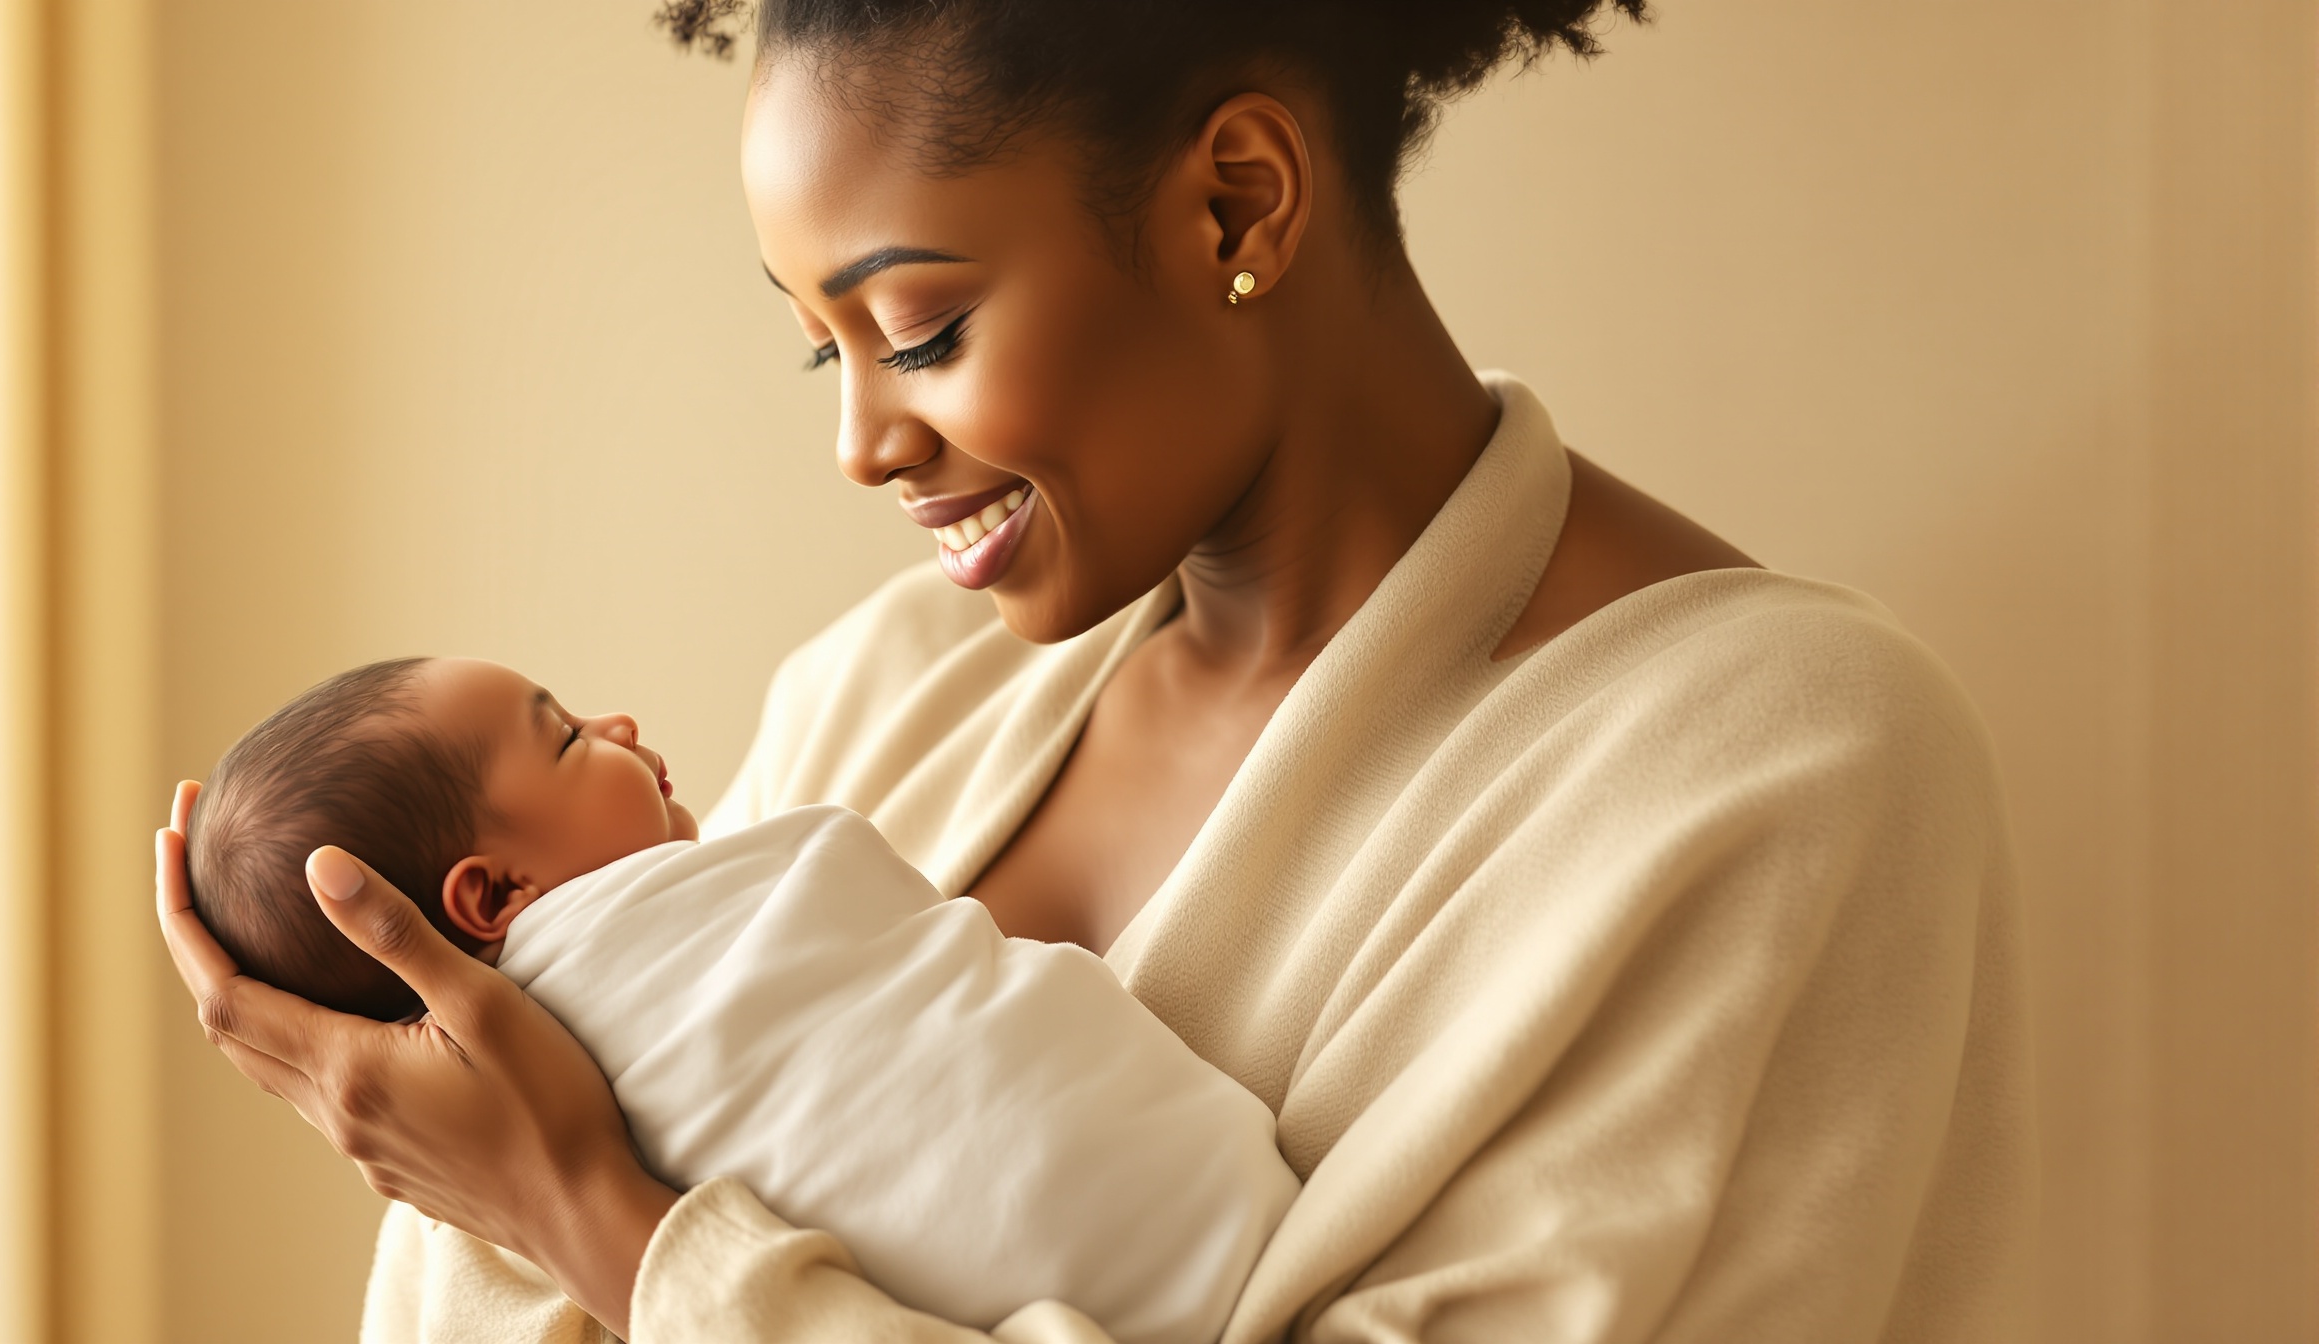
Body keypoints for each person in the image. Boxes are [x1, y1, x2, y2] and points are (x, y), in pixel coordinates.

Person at [152, 1, 2033, 1339]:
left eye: (922, 328)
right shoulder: (887, 691)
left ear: (1235, 204)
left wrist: (609, 1226)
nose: (864, 445)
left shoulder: (1769, 773)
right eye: (827, 352)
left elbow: (553, 1210)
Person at [184, 654, 1296, 1344]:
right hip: (1194, 1238)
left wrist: (567, 1201)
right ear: (496, 895)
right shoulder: (833, 727)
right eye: (566, 737)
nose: (616, 725)